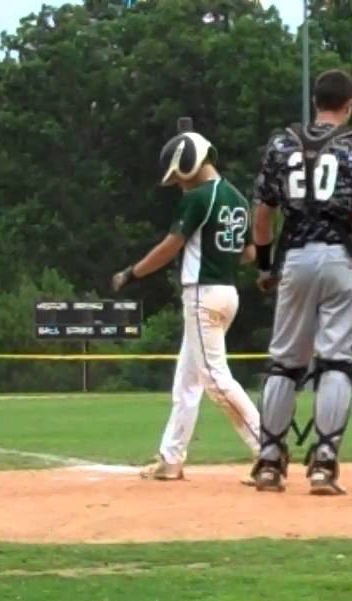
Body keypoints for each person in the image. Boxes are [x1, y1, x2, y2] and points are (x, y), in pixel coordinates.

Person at [248, 69, 352, 495]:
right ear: (349, 105)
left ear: (316, 103)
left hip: (294, 257)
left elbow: (263, 213)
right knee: (335, 361)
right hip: (340, 258)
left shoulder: (282, 143)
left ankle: (270, 462)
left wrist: (263, 264)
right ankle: (324, 464)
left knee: (285, 361)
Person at [111, 130, 262, 479]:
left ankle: (267, 449)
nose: (179, 184)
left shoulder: (197, 198)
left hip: (202, 296)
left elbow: (170, 247)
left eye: (179, 175)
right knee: (187, 382)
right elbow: (250, 253)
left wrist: (132, 273)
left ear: (191, 163)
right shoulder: (237, 198)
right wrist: (218, 256)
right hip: (227, 294)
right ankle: (172, 458)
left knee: (215, 380)